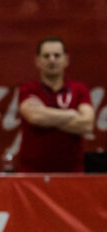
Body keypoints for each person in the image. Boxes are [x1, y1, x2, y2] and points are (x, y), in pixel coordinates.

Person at [17, 36, 93, 173]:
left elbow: (87, 124)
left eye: (57, 55)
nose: (52, 60)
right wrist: (71, 114)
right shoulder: (28, 89)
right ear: (37, 60)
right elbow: (35, 117)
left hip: (72, 173)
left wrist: (47, 116)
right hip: (32, 174)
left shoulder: (79, 89)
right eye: (46, 56)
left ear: (66, 59)